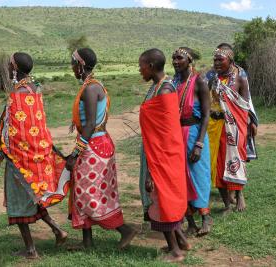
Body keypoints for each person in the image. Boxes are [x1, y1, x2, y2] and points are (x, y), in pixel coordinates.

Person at [0, 52, 69, 259]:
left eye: (9, 65)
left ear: (15, 68)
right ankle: (57, 230)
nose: (8, 69)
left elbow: (8, 132)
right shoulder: (36, 90)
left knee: (18, 202)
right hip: (37, 154)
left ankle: (31, 249)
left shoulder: (17, 95)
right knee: (32, 198)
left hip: (19, 158)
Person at [66, 48, 137, 249]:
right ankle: (87, 241)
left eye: (73, 64)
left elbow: (89, 124)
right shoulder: (93, 86)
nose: (71, 68)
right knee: (82, 191)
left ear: (80, 65)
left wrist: (74, 153)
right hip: (96, 143)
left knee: (90, 193)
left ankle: (125, 229)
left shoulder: (90, 89)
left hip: (93, 146)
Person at [138, 48, 189, 263]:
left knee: (162, 199)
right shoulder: (156, 87)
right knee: (161, 197)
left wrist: (153, 167)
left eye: (141, 65)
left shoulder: (166, 89)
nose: (139, 70)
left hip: (162, 154)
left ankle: (175, 251)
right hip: (155, 151)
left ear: (150, 66)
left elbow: (167, 132)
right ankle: (183, 242)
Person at [171, 47, 212, 236]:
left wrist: (199, 144)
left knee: (199, 175)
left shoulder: (200, 82)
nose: (175, 61)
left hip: (195, 133)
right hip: (178, 135)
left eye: (179, 58)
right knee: (181, 179)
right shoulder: (174, 83)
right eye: (173, 58)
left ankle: (206, 218)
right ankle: (190, 222)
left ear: (189, 60)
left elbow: (205, 116)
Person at [207, 45, 252, 213]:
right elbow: (209, 101)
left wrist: (245, 122)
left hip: (234, 127)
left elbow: (245, 103)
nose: (217, 63)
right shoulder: (213, 78)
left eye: (221, 60)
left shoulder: (240, 77)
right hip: (215, 126)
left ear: (230, 61)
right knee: (217, 163)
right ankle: (227, 204)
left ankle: (239, 195)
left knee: (236, 159)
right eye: (215, 60)